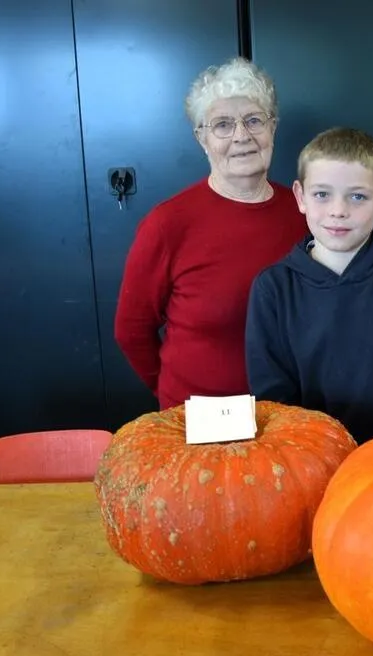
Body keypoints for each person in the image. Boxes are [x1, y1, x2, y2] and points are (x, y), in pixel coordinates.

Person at [114, 57, 307, 410]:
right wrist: (174, 394)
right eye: (222, 124)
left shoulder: (306, 211)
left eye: (253, 120)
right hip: (201, 420)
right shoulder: (168, 223)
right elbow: (131, 330)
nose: (241, 136)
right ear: (202, 138)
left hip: (291, 415)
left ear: (273, 127)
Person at [245, 127, 373, 444]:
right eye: (322, 194)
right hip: (310, 460)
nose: (338, 210)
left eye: (357, 196)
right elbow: (274, 402)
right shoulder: (273, 288)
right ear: (300, 197)